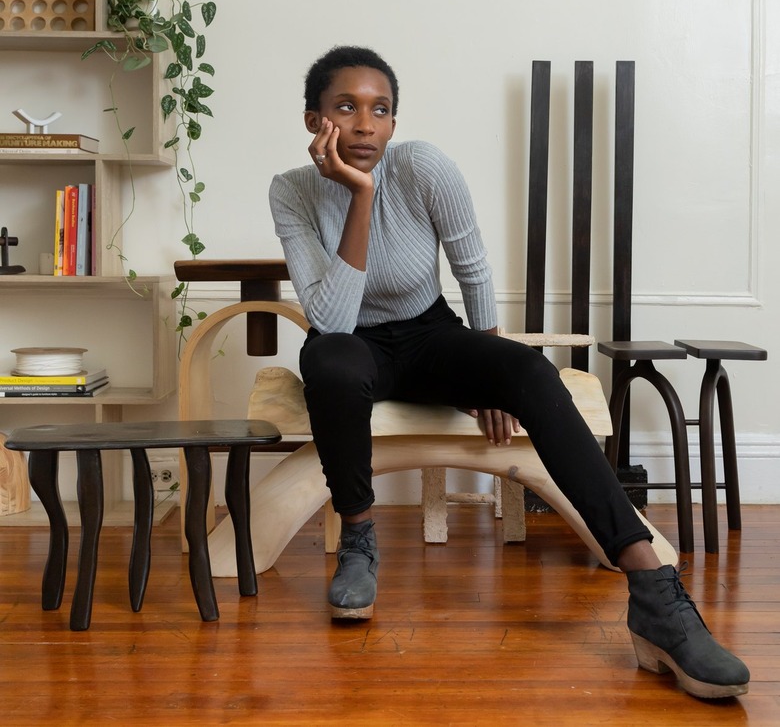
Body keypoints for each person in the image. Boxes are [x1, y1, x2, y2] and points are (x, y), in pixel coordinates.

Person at [269, 44, 749, 701]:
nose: (363, 125)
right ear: (312, 120)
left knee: (524, 368)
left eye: (380, 110)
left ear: (393, 123)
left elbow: (473, 268)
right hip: (352, 345)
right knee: (327, 361)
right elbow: (331, 316)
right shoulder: (292, 191)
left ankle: (652, 589)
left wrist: (487, 374)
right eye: (345, 107)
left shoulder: (425, 168)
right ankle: (359, 538)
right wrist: (359, 196)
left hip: (431, 333)